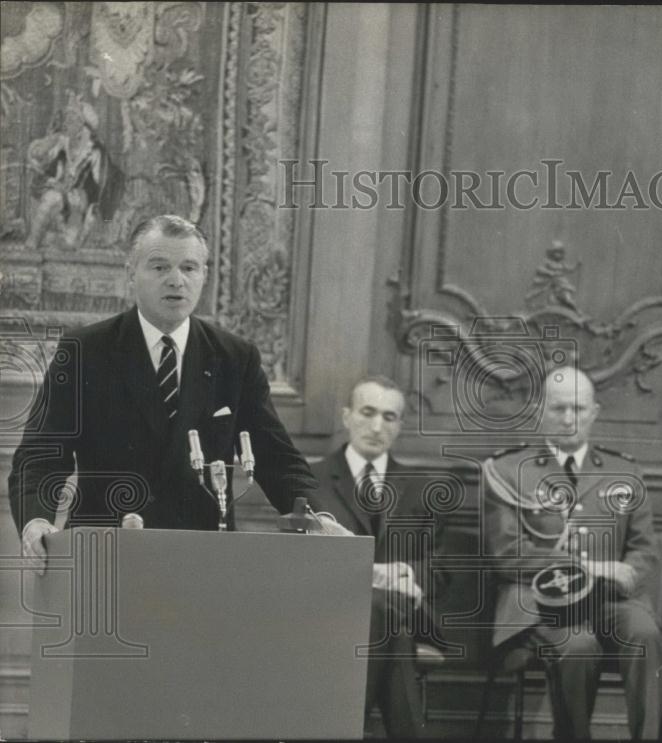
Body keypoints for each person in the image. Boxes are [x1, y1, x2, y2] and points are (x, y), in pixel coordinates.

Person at [9, 214, 346, 570]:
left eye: (189, 267)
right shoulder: (85, 351)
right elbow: (40, 457)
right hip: (107, 557)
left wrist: (318, 517)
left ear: (204, 275)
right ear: (130, 273)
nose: (176, 280)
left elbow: (276, 457)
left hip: (202, 562)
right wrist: (36, 522)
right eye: (159, 267)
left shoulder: (235, 358)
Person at [483, 366, 662, 740]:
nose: (569, 418)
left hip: (609, 600)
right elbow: (506, 553)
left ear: (594, 412)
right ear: (540, 411)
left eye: (579, 409)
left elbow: (644, 549)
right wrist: (590, 567)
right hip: (539, 603)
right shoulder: (507, 471)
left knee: (646, 635)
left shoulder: (624, 471)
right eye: (559, 408)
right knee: (578, 646)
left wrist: (626, 574)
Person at [308, 375, 435, 738]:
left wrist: (406, 573)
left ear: (400, 425)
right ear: (347, 416)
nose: (377, 426)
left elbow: (439, 568)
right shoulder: (310, 480)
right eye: (368, 412)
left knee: (383, 610)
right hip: (328, 613)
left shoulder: (422, 489)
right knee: (386, 619)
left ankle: (340, 730)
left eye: (389, 416)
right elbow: (296, 559)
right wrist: (370, 576)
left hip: (405, 608)